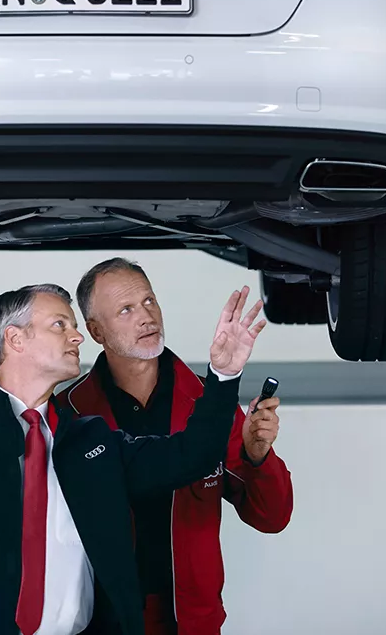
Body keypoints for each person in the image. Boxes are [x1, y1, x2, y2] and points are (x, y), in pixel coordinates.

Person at [0, 282, 264, 635]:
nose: (78, 337)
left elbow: (190, 456)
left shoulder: (94, 442)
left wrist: (223, 375)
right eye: (60, 325)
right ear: (15, 339)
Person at [59, 258, 294, 635]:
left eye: (149, 301)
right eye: (126, 309)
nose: (146, 317)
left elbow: (272, 517)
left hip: (192, 623)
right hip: (99, 623)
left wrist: (257, 455)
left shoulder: (209, 401)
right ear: (96, 331)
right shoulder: (68, 411)